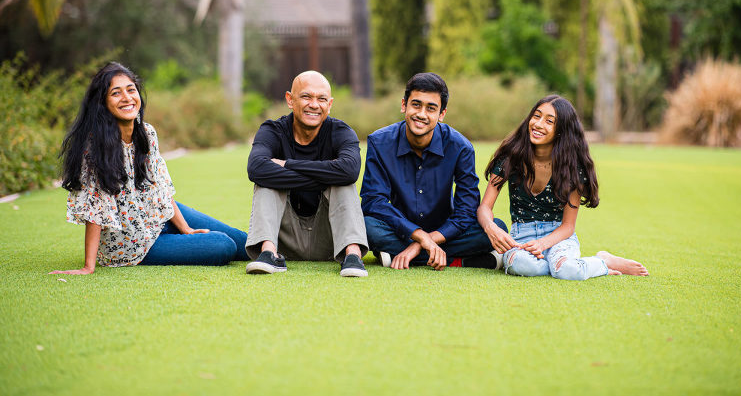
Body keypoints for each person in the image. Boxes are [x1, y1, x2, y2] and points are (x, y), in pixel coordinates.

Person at [49, 62, 248, 275]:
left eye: (131, 90)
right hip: (131, 242)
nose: (126, 98)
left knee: (247, 242)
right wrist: (88, 267)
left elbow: (159, 185)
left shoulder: (147, 133)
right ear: (102, 102)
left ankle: (281, 251)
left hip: (158, 214)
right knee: (223, 245)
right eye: (116, 93)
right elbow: (95, 206)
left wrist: (185, 229)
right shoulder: (94, 146)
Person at [477, 94, 649, 280]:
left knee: (568, 271)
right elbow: (485, 207)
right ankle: (558, 265)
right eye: (536, 116)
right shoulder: (510, 158)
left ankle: (602, 261)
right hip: (521, 237)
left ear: (561, 130)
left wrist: (542, 244)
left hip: (559, 237)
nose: (538, 124)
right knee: (523, 266)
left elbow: (568, 225)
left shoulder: (572, 168)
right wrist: (490, 227)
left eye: (549, 121)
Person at [361, 73, 508, 270]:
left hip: (445, 232)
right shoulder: (379, 142)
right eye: (416, 105)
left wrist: (420, 244)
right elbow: (374, 202)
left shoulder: (460, 147)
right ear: (404, 105)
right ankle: (459, 261)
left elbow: (466, 211)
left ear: (442, 114)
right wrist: (419, 235)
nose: (421, 114)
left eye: (431, 108)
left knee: (496, 228)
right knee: (365, 227)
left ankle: (406, 254)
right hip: (398, 230)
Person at [244, 71, 369, 277]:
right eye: (306, 97)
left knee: (343, 182)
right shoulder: (272, 130)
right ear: (290, 100)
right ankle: (268, 254)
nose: (314, 104)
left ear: (329, 104)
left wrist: (287, 164)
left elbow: (350, 171)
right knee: (265, 182)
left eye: (321, 99)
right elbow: (256, 168)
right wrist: (325, 174)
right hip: (283, 240)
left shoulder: (342, 131)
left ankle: (353, 256)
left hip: (330, 239)